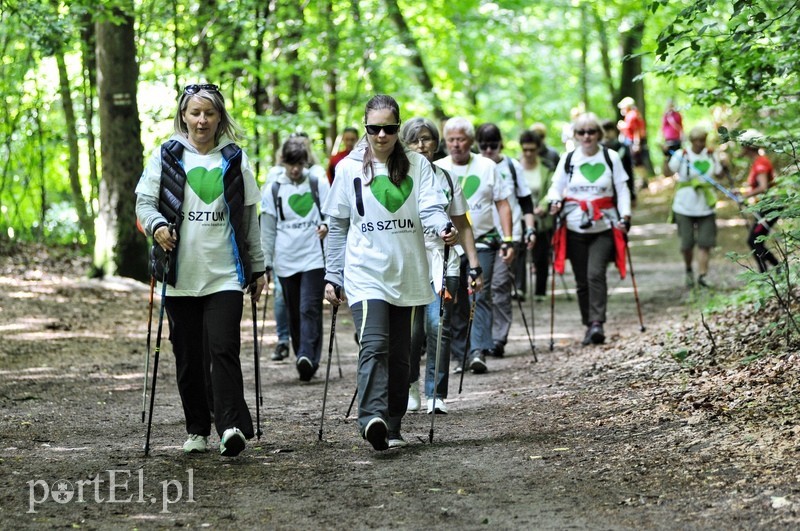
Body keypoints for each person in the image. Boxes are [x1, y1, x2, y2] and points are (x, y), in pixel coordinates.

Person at [135, 83, 265, 457]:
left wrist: (257, 268)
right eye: (195, 113)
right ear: (184, 117)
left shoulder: (235, 159)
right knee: (189, 358)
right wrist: (158, 225)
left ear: (220, 118)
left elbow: (248, 218)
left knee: (224, 349)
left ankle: (230, 428)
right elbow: (144, 202)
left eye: (209, 113)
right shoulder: (167, 155)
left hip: (224, 273)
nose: (202, 120)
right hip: (180, 276)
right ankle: (197, 428)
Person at [322, 94, 456, 450]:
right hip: (365, 272)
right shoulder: (349, 168)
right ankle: (372, 418)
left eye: (389, 128)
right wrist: (332, 275)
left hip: (408, 271)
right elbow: (337, 225)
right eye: (373, 128)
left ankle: (393, 423)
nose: (381, 135)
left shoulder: (417, 165)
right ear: (365, 128)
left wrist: (442, 225)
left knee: (401, 354)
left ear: (398, 128)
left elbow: (430, 204)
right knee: (374, 343)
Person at [400, 117, 483, 414]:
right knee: (411, 332)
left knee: (439, 325)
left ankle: (436, 393)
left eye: (427, 138)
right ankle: (409, 384)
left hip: (443, 261)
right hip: (408, 262)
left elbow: (463, 223)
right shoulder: (397, 178)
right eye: (415, 139)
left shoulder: (447, 178)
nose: (422, 145)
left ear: (436, 143)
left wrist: (474, 265)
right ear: (405, 145)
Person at [435, 117, 514, 374]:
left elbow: (502, 203)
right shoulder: (436, 168)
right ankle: (461, 354)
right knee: (454, 300)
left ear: (471, 141)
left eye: (461, 139)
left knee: (478, 293)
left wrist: (509, 238)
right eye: (451, 140)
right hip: (448, 246)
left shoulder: (487, 166)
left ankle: (478, 350)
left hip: (484, 242)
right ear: (445, 143)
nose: (456, 145)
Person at [547, 112, 632, 346]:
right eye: (581, 132)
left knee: (596, 274)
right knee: (582, 280)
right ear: (574, 135)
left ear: (599, 134)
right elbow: (556, 188)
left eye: (591, 131)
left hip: (604, 226)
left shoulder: (610, 157)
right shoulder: (568, 159)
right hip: (573, 227)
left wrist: (625, 216)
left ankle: (597, 323)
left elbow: (622, 189)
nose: (586, 136)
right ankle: (588, 323)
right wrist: (554, 201)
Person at [261, 137, 330, 381]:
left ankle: (307, 355)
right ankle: (305, 357)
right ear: (284, 162)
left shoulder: (317, 182)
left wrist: (326, 225)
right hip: (285, 259)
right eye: (291, 164)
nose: (295, 169)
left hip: (314, 256)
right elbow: (267, 228)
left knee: (309, 307)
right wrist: (266, 263)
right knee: (293, 311)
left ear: (305, 161)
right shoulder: (273, 188)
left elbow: (332, 213)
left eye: (299, 163)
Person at [475, 123, 536, 359]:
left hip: (510, 237)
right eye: (484, 146)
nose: (489, 150)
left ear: (501, 144)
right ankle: (482, 338)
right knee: (481, 289)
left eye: (493, 145)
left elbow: (525, 200)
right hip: (481, 236)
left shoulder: (512, 166)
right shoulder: (474, 167)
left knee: (500, 286)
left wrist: (530, 228)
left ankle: (499, 339)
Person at [668, 127, 726, 288]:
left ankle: (702, 275)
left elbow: (720, 174)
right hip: (683, 207)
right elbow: (668, 172)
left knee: (705, 243)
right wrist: (665, 155)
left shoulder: (711, 154)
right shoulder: (681, 155)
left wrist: (724, 163)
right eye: (697, 141)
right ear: (691, 141)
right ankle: (688, 270)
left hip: (706, 206)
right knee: (686, 244)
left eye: (703, 140)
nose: (700, 144)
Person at [518, 129, 554, 301]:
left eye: (532, 149)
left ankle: (540, 291)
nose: (529, 153)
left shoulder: (547, 167)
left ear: (538, 149)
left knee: (541, 255)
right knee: (519, 254)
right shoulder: (515, 166)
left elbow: (553, 189)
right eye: (525, 149)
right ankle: (520, 289)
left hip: (541, 217)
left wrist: (544, 206)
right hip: (519, 217)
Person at [739, 130, 779, 272]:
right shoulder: (758, 162)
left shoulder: (761, 162)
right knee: (755, 240)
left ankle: (770, 272)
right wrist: (742, 192)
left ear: (748, 146)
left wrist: (745, 196)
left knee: (754, 241)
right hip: (766, 207)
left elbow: (763, 187)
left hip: (770, 208)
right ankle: (772, 271)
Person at [617, 96, 653, 187]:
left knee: (637, 162)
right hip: (632, 141)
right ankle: (642, 180)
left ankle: (643, 181)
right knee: (636, 162)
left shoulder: (632, 115)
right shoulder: (632, 114)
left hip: (634, 142)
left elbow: (636, 130)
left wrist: (637, 144)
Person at [600, 119, 637, 205]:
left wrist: (632, 193)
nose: (607, 134)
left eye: (609, 130)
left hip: (621, 186)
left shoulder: (622, 147)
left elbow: (629, 170)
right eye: (604, 130)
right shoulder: (599, 150)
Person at [660, 99, 684, 175]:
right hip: (668, 140)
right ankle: (669, 174)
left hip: (676, 139)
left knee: (677, 157)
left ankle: (678, 173)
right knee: (668, 158)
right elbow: (662, 127)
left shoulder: (677, 115)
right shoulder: (665, 116)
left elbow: (680, 126)